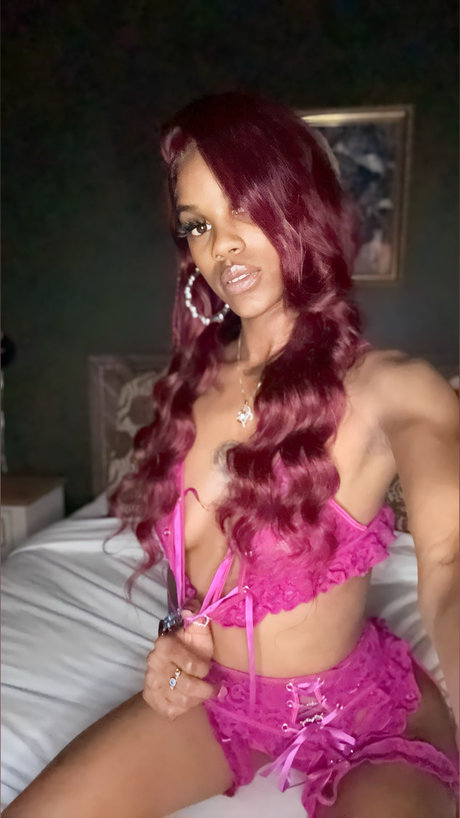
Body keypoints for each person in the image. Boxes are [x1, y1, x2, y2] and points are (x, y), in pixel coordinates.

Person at [5, 92, 459, 818]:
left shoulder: (388, 387)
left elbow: (448, 559)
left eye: (245, 210)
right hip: (223, 705)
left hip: (365, 712)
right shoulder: (188, 392)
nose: (222, 247)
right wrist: (174, 645)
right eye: (198, 225)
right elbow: (198, 583)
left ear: (300, 207)